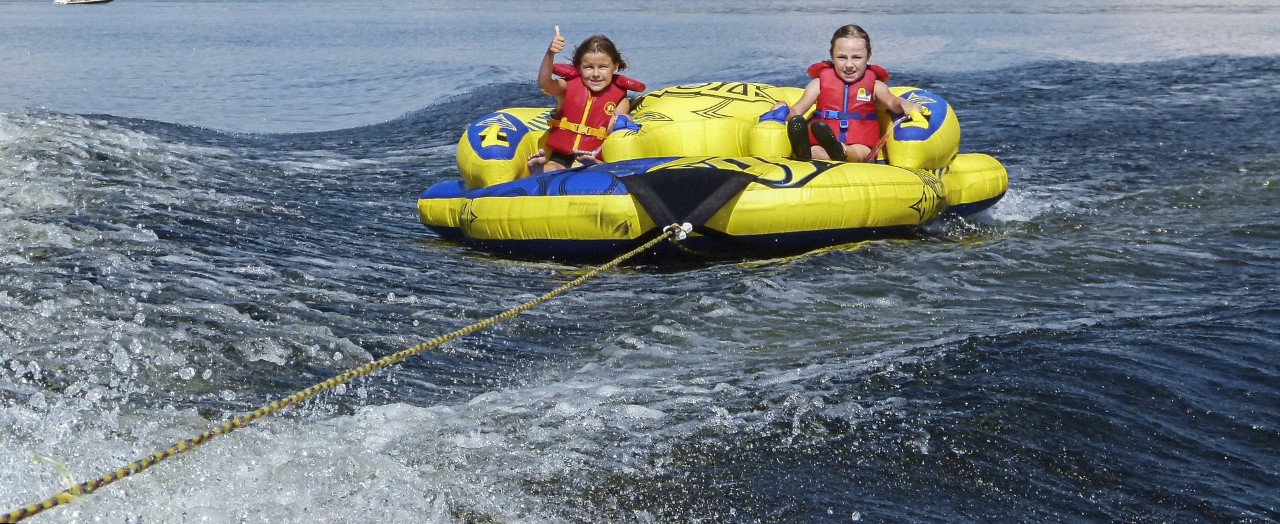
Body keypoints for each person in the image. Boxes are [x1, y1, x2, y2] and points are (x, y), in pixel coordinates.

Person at [783, 24, 924, 163]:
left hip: (861, 146)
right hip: (822, 144)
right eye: (842, 57)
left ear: (868, 56)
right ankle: (804, 151)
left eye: (856, 57)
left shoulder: (875, 86)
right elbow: (797, 110)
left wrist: (905, 104)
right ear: (832, 56)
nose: (849, 65)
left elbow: (892, 102)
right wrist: (783, 109)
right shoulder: (819, 84)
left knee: (861, 151)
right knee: (818, 151)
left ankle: (840, 150)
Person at [527, 27, 643, 174]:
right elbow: (545, 84)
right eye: (588, 67)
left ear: (615, 68)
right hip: (564, 153)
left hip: (595, 153)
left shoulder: (620, 98)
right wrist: (550, 54)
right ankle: (538, 170)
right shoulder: (567, 87)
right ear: (579, 68)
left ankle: (591, 164)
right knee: (554, 166)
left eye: (602, 67)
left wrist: (622, 122)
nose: (595, 74)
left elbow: (613, 131)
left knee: (603, 161)